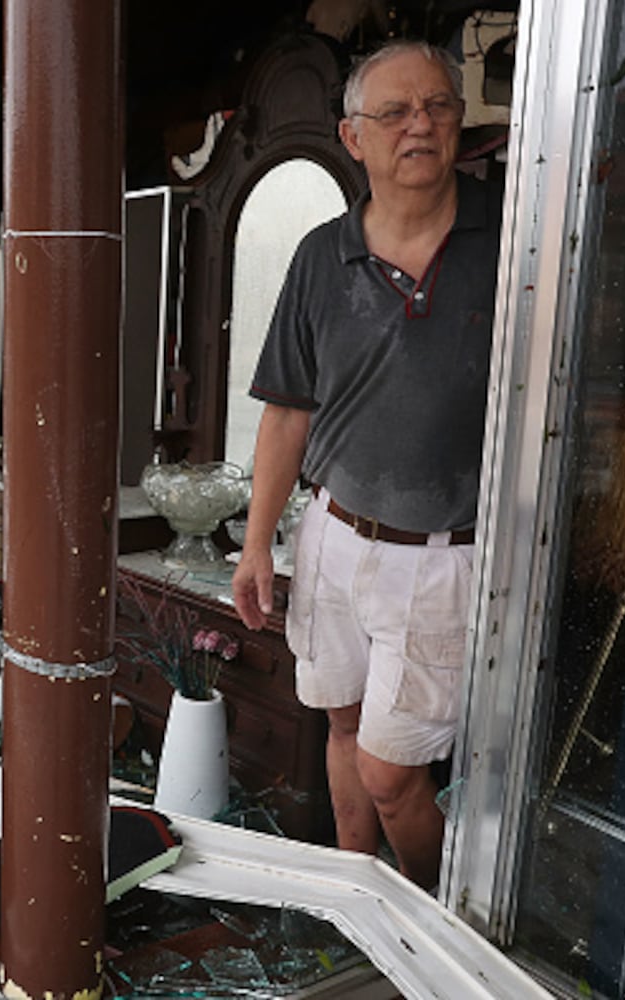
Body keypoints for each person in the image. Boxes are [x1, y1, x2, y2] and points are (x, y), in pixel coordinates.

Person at [229, 40, 502, 890]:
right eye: (395, 112)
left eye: (439, 107)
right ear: (354, 137)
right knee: (341, 731)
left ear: (459, 122)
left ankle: (429, 920)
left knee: (393, 774)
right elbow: (287, 413)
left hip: (443, 555)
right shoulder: (321, 256)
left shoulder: (514, 237)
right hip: (336, 538)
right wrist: (256, 544)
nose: (420, 124)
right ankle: (358, 906)